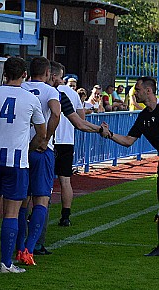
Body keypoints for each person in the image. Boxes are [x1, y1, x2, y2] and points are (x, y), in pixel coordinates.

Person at [0, 57, 46, 273]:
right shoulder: (30, 99)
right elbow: (42, 134)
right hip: (16, 160)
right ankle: (6, 263)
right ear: (24, 74)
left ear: (4, 73)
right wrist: (29, 147)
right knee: (12, 212)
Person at [100, 77, 159, 256]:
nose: (134, 93)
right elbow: (128, 141)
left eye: (138, 90)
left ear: (148, 91)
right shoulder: (143, 116)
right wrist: (109, 134)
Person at [50, 61, 109, 227]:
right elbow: (81, 120)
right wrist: (99, 130)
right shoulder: (69, 93)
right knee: (65, 180)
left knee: (42, 181)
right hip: (65, 140)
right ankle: (65, 215)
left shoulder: (39, 90)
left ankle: (35, 214)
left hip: (45, 140)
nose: (62, 81)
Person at [16, 56, 60, 266]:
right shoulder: (50, 90)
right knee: (41, 199)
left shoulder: (20, 87)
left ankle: (17, 246)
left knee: (21, 200)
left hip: (21, 149)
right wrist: (45, 138)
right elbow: (56, 113)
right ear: (48, 73)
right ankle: (29, 248)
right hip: (41, 150)